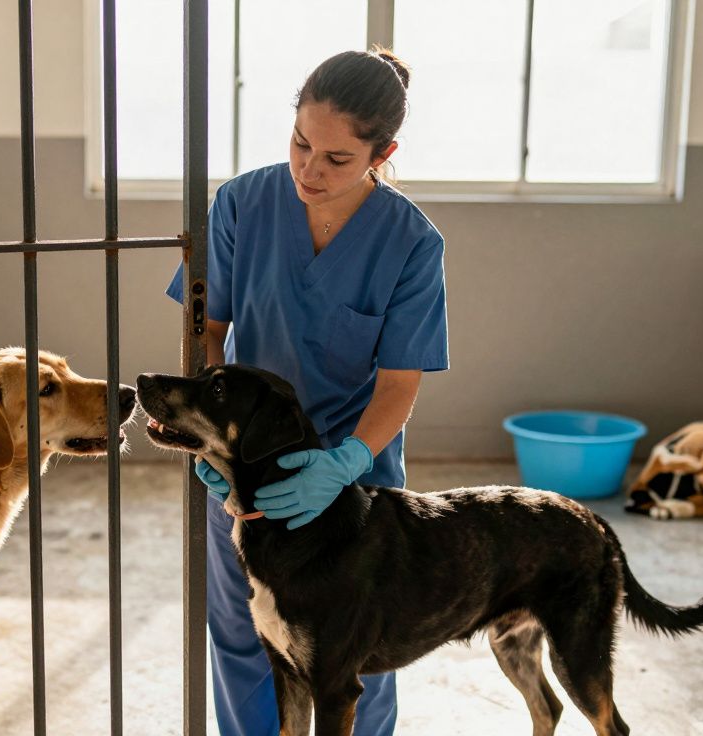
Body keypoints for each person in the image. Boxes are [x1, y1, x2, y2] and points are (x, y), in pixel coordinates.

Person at [164, 48, 450, 735]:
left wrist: (345, 464)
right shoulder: (241, 203)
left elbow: (399, 384)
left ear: (383, 154)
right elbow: (205, 330)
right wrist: (207, 432)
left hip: (353, 478)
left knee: (355, 648)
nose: (308, 170)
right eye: (300, 143)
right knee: (241, 633)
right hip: (245, 462)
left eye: (336, 159)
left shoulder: (412, 242)